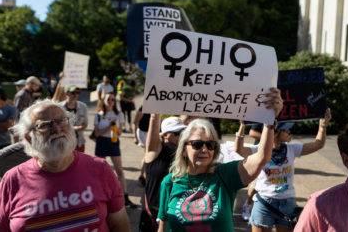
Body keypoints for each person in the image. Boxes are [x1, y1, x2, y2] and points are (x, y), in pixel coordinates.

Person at [157, 88, 283, 232]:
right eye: (197, 144)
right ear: (184, 150)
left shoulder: (224, 175)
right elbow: (163, 226)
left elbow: (262, 158)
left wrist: (268, 122)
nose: (204, 150)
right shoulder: (169, 182)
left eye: (210, 144)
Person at [0, 99, 130, 231]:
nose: (57, 129)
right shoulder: (11, 181)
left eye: (61, 121)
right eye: (45, 125)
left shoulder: (100, 168)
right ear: (28, 138)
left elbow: (120, 226)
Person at [235, 108, 332, 232]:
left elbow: (318, 144)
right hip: (264, 203)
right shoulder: (259, 149)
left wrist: (323, 125)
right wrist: (242, 126)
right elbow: (239, 149)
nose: (289, 131)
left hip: (288, 204)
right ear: (276, 132)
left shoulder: (292, 149)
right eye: (286, 129)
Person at [139, 115, 187, 231]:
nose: (182, 136)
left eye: (184, 132)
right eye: (178, 133)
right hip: (153, 213)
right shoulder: (154, 151)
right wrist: (155, 114)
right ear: (165, 135)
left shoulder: (187, 152)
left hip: (176, 213)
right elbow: (154, 119)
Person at [93, 92, 137, 208]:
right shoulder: (98, 115)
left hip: (113, 142)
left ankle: (125, 196)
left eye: (113, 99)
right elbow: (96, 133)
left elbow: (120, 133)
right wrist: (108, 127)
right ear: (104, 101)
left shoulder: (119, 114)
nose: (111, 101)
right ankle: (100, 195)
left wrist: (116, 128)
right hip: (101, 142)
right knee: (99, 171)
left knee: (120, 171)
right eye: (108, 99)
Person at [58, 85, 88, 152]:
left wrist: (79, 128)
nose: (75, 95)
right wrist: (71, 128)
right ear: (66, 94)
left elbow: (85, 124)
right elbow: (56, 124)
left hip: (79, 142)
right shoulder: (59, 107)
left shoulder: (83, 106)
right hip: (64, 142)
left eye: (77, 92)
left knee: (79, 162)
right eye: (73, 92)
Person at [132, 106, 150, 186]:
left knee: (149, 154)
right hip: (143, 133)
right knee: (148, 154)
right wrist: (135, 136)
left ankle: (143, 175)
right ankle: (143, 175)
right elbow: (135, 122)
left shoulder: (158, 108)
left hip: (151, 133)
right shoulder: (143, 108)